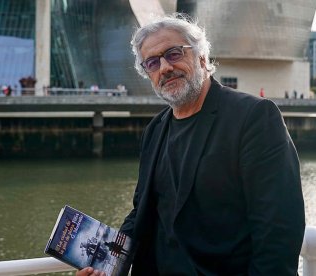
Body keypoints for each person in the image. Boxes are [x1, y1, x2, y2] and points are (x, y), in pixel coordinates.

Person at [77, 13, 305, 276]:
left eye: (173, 54)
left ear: (202, 57)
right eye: (152, 63)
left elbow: (278, 230)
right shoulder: (155, 129)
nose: (164, 68)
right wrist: (107, 265)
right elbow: (142, 213)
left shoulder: (254, 117)